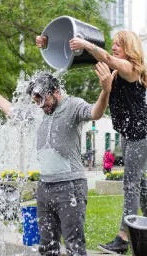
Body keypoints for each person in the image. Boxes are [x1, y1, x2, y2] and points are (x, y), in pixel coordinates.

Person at [0, 63, 114, 255]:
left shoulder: (73, 105)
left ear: (56, 91)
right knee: (47, 245)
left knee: (74, 244)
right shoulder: (39, 110)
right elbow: (12, 112)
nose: (40, 105)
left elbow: (96, 113)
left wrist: (105, 91)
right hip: (45, 187)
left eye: (43, 99)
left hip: (71, 186)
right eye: (36, 101)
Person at [68, 30, 147, 255]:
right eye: (112, 44)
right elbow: (86, 57)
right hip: (130, 133)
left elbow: (108, 59)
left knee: (130, 185)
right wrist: (47, 42)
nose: (113, 48)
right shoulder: (114, 70)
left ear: (129, 49)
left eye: (118, 45)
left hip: (140, 134)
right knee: (139, 184)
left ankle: (124, 237)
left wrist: (86, 43)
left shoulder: (131, 69)